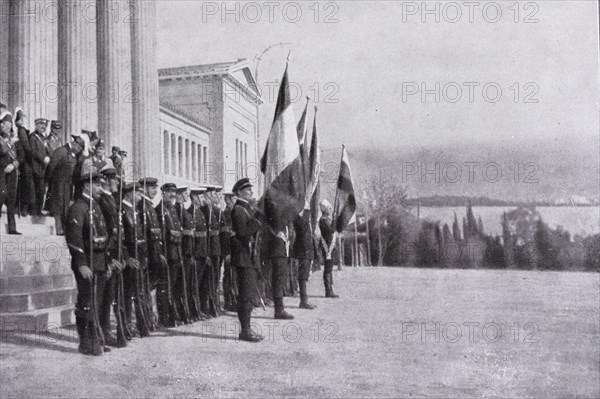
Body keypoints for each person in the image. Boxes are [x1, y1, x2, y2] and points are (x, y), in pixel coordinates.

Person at [65, 172, 111, 356]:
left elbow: (104, 237)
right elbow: (74, 239)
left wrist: (106, 263)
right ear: (86, 185)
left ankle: (96, 339)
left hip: (99, 262)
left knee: (96, 303)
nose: (101, 189)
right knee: (86, 303)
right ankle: (86, 342)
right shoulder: (78, 207)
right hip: (87, 263)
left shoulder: (96, 207)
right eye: (98, 185)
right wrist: (82, 264)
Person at [230, 178, 264, 342]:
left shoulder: (245, 209)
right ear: (239, 193)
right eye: (248, 190)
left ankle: (247, 329)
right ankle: (245, 331)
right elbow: (243, 233)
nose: (251, 192)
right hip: (243, 258)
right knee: (245, 295)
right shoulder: (239, 210)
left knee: (248, 294)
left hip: (247, 258)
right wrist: (257, 221)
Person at [156, 183, 188, 325]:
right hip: (167, 253)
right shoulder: (160, 210)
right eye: (169, 192)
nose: (172, 194)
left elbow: (179, 231)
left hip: (177, 253)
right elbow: (160, 234)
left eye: (174, 192)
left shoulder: (174, 210)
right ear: (162, 193)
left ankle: (173, 315)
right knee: (165, 287)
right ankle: (165, 317)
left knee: (174, 286)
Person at [45, 135, 85, 235]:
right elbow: (51, 166)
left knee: (65, 207)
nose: (78, 150)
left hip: (67, 185)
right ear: (74, 144)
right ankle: (59, 229)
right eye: (78, 147)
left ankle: (64, 229)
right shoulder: (61, 151)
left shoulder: (74, 155)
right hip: (57, 183)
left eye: (80, 149)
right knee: (57, 207)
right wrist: (47, 181)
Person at [138, 177, 163, 328]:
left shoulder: (149, 206)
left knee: (150, 288)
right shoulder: (142, 206)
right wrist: (146, 255)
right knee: (145, 288)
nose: (155, 191)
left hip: (154, 254)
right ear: (145, 188)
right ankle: (147, 320)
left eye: (155, 187)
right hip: (147, 254)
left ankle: (151, 319)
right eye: (152, 188)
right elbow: (143, 234)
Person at [176, 185, 199, 321]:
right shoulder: (179, 211)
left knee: (188, 284)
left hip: (188, 252)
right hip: (183, 253)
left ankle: (187, 313)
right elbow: (184, 234)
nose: (187, 196)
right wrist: (188, 254)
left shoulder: (183, 210)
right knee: (182, 285)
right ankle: (183, 313)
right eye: (184, 193)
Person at [188, 187, 211, 319]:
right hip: (196, 254)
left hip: (202, 253)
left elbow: (205, 236)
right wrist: (192, 254)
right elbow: (191, 238)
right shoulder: (190, 213)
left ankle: (201, 309)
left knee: (202, 283)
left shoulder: (201, 213)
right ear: (194, 198)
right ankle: (194, 311)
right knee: (194, 284)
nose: (203, 199)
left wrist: (206, 253)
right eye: (201, 197)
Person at [0, 112, 22, 234]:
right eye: (4, 124)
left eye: (8, 124)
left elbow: (21, 156)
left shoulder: (15, 140)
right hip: (1, 172)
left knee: (11, 200)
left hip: (12, 172)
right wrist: (9, 143)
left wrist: (14, 165)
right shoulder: (4, 140)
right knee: (1, 196)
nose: (6, 127)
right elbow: (2, 152)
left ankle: (12, 228)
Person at [292, 208, 317, 309]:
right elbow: (301, 230)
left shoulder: (305, 221)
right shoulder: (298, 219)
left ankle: (305, 299)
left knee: (304, 275)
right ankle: (303, 300)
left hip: (307, 250)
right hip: (303, 250)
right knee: (302, 275)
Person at [14, 107, 35, 216]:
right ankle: (24, 207)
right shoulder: (21, 130)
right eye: (21, 117)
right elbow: (26, 147)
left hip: (23, 158)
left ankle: (22, 206)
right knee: (26, 183)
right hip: (24, 160)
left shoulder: (22, 130)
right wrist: (32, 157)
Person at [319, 199, 340, 298]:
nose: (330, 210)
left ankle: (330, 289)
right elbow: (331, 230)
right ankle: (328, 290)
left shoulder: (326, 219)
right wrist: (335, 219)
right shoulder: (323, 220)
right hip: (327, 247)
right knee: (328, 269)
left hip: (329, 246)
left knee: (329, 268)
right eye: (329, 209)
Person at [29, 118, 50, 216]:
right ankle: (33, 210)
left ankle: (38, 210)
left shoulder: (43, 138)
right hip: (35, 167)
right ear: (36, 125)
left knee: (41, 191)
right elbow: (33, 151)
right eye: (41, 125)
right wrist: (43, 158)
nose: (43, 127)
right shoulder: (33, 137)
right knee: (34, 191)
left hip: (42, 168)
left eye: (44, 126)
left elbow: (46, 150)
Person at [221, 193, 237, 312]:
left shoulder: (235, 213)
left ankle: (234, 300)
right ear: (227, 201)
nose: (235, 202)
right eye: (233, 200)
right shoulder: (225, 215)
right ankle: (228, 301)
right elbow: (225, 236)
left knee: (234, 276)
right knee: (228, 276)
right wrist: (226, 252)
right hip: (229, 251)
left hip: (235, 250)